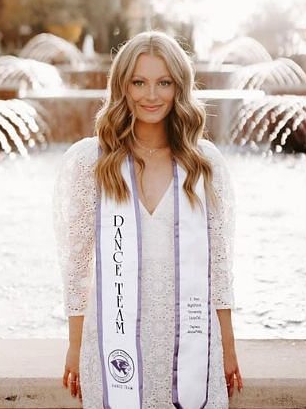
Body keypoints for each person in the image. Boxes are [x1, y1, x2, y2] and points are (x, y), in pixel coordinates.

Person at [56, 31, 241, 408]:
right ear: (122, 86)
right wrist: (75, 346)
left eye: (164, 83)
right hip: (113, 342)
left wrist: (228, 347)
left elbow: (218, 267)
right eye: (139, 82)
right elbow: (77, 269)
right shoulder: (92, 162)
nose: (151, 95)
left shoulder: (203, 164)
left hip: (191, 342)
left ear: (180, 88)